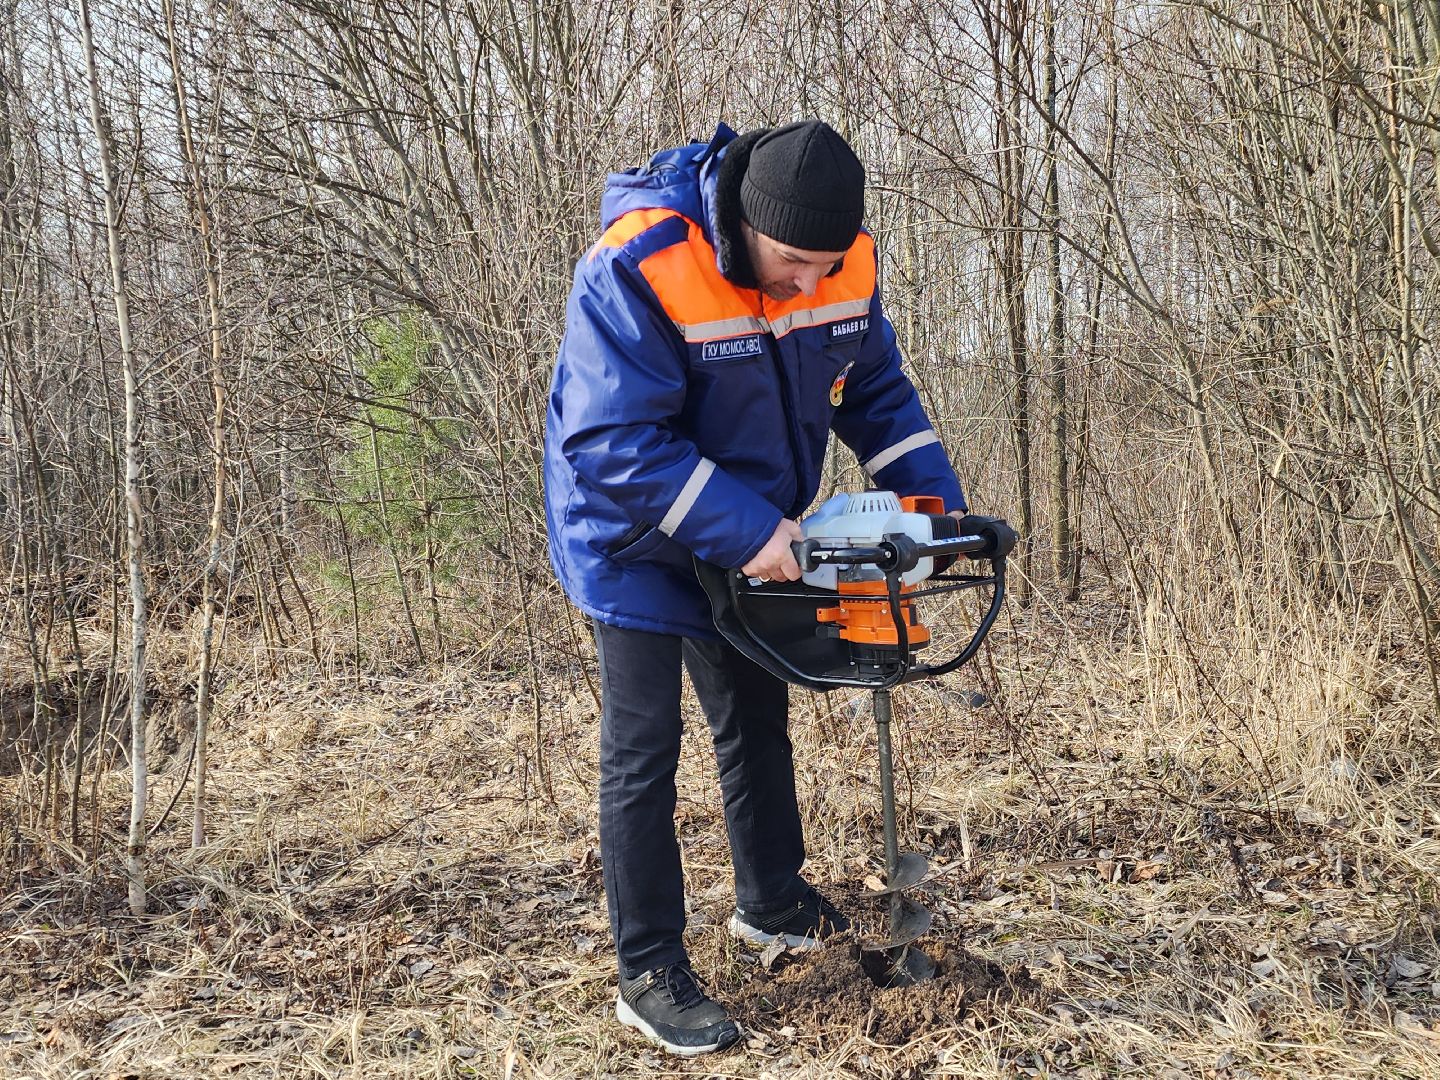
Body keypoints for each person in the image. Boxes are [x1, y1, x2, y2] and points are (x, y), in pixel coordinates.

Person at [542, 120, 967, 1056]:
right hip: (632, 534)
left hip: (754, 532)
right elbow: (609, 442)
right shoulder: (641, 263)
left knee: (752, 715)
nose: (809, 284)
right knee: (645, 749)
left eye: (827, 265)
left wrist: (934, 513)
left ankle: (771, 902)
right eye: (790, 262)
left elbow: (876, 390)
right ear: (743, 222)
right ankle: (648, 968)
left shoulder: (841, 265)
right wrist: (749, 531)